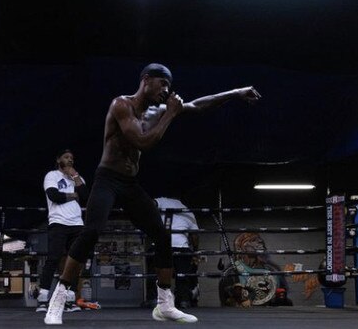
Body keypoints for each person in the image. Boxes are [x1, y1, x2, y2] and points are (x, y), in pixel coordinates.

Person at [44, 63, 262, 325]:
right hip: (107, 179)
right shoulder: (121, 105)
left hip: (129, 182)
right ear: (146, 80)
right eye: (163, 84)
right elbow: (143, 142)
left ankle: (164, 304)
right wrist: (170, 114)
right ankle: (57, 299)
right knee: (91, 232)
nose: (167, 90)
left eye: (169, 86)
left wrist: (236, 92)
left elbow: (198, 105)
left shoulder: (158, 109)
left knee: (161, 235)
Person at [37, 149, 89, 313]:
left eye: (72, 158)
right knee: (53, 258)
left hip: (77, 224)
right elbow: (54, 196)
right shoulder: (51, 175)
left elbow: (86, 196)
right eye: (66, 157)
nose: (70, 160)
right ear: (58, 159)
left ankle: (69, 300)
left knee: (75, 262)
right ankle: (43, 299)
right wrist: (73, 196)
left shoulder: (77, 178)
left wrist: (74, 176)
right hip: (58, 222)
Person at [143, 197, 199, 309]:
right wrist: (195, 251)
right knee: (182, 275)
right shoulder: (188, 212)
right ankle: (184, 301)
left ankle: (153, 299)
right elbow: (194, 235)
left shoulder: (164, 201)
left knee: (154, 272)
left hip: (161, 244)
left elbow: (151, 203)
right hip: (181, 246)